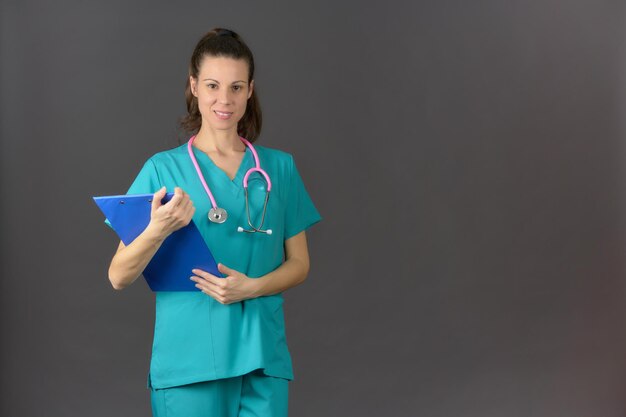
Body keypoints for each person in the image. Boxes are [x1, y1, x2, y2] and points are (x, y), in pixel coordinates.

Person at [106, 27, 321, 417]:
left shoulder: (279, 169)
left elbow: (300, 265)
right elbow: (118, 276)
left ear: (250, 90)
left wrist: (252, 287)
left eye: (237, 87)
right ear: (193, 86)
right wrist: (160, 227)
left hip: (262, 358)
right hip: (189, 362)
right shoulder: (162, 169)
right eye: (212, 85)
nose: (225, 100)